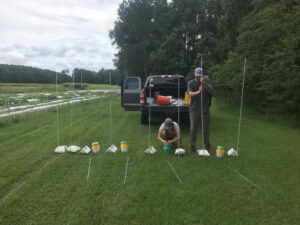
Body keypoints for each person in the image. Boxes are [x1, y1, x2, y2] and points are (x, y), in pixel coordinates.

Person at [187, 67, 213, 152]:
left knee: (205, 129)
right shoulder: (191, 83)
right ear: (194, 74)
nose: (198, 77)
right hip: (194, 110)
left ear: (202, 75)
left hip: (205, 109)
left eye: (199, 76)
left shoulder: (206, 82)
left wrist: (205, 84)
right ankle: (192, 146)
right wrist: (198, 91)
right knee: (193, 129)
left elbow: (211, 91)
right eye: (196, 76)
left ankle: (207, 146)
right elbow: (190, 94)